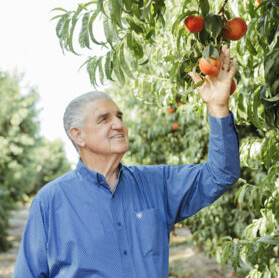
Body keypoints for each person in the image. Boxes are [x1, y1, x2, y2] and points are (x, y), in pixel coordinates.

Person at [13, 45, 240, 278]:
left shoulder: (157, 184)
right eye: (104, 119)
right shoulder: (50, 202)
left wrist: (218, 107)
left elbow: (221, 174)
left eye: (119, 116)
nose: (119, 125)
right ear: (78, 135)